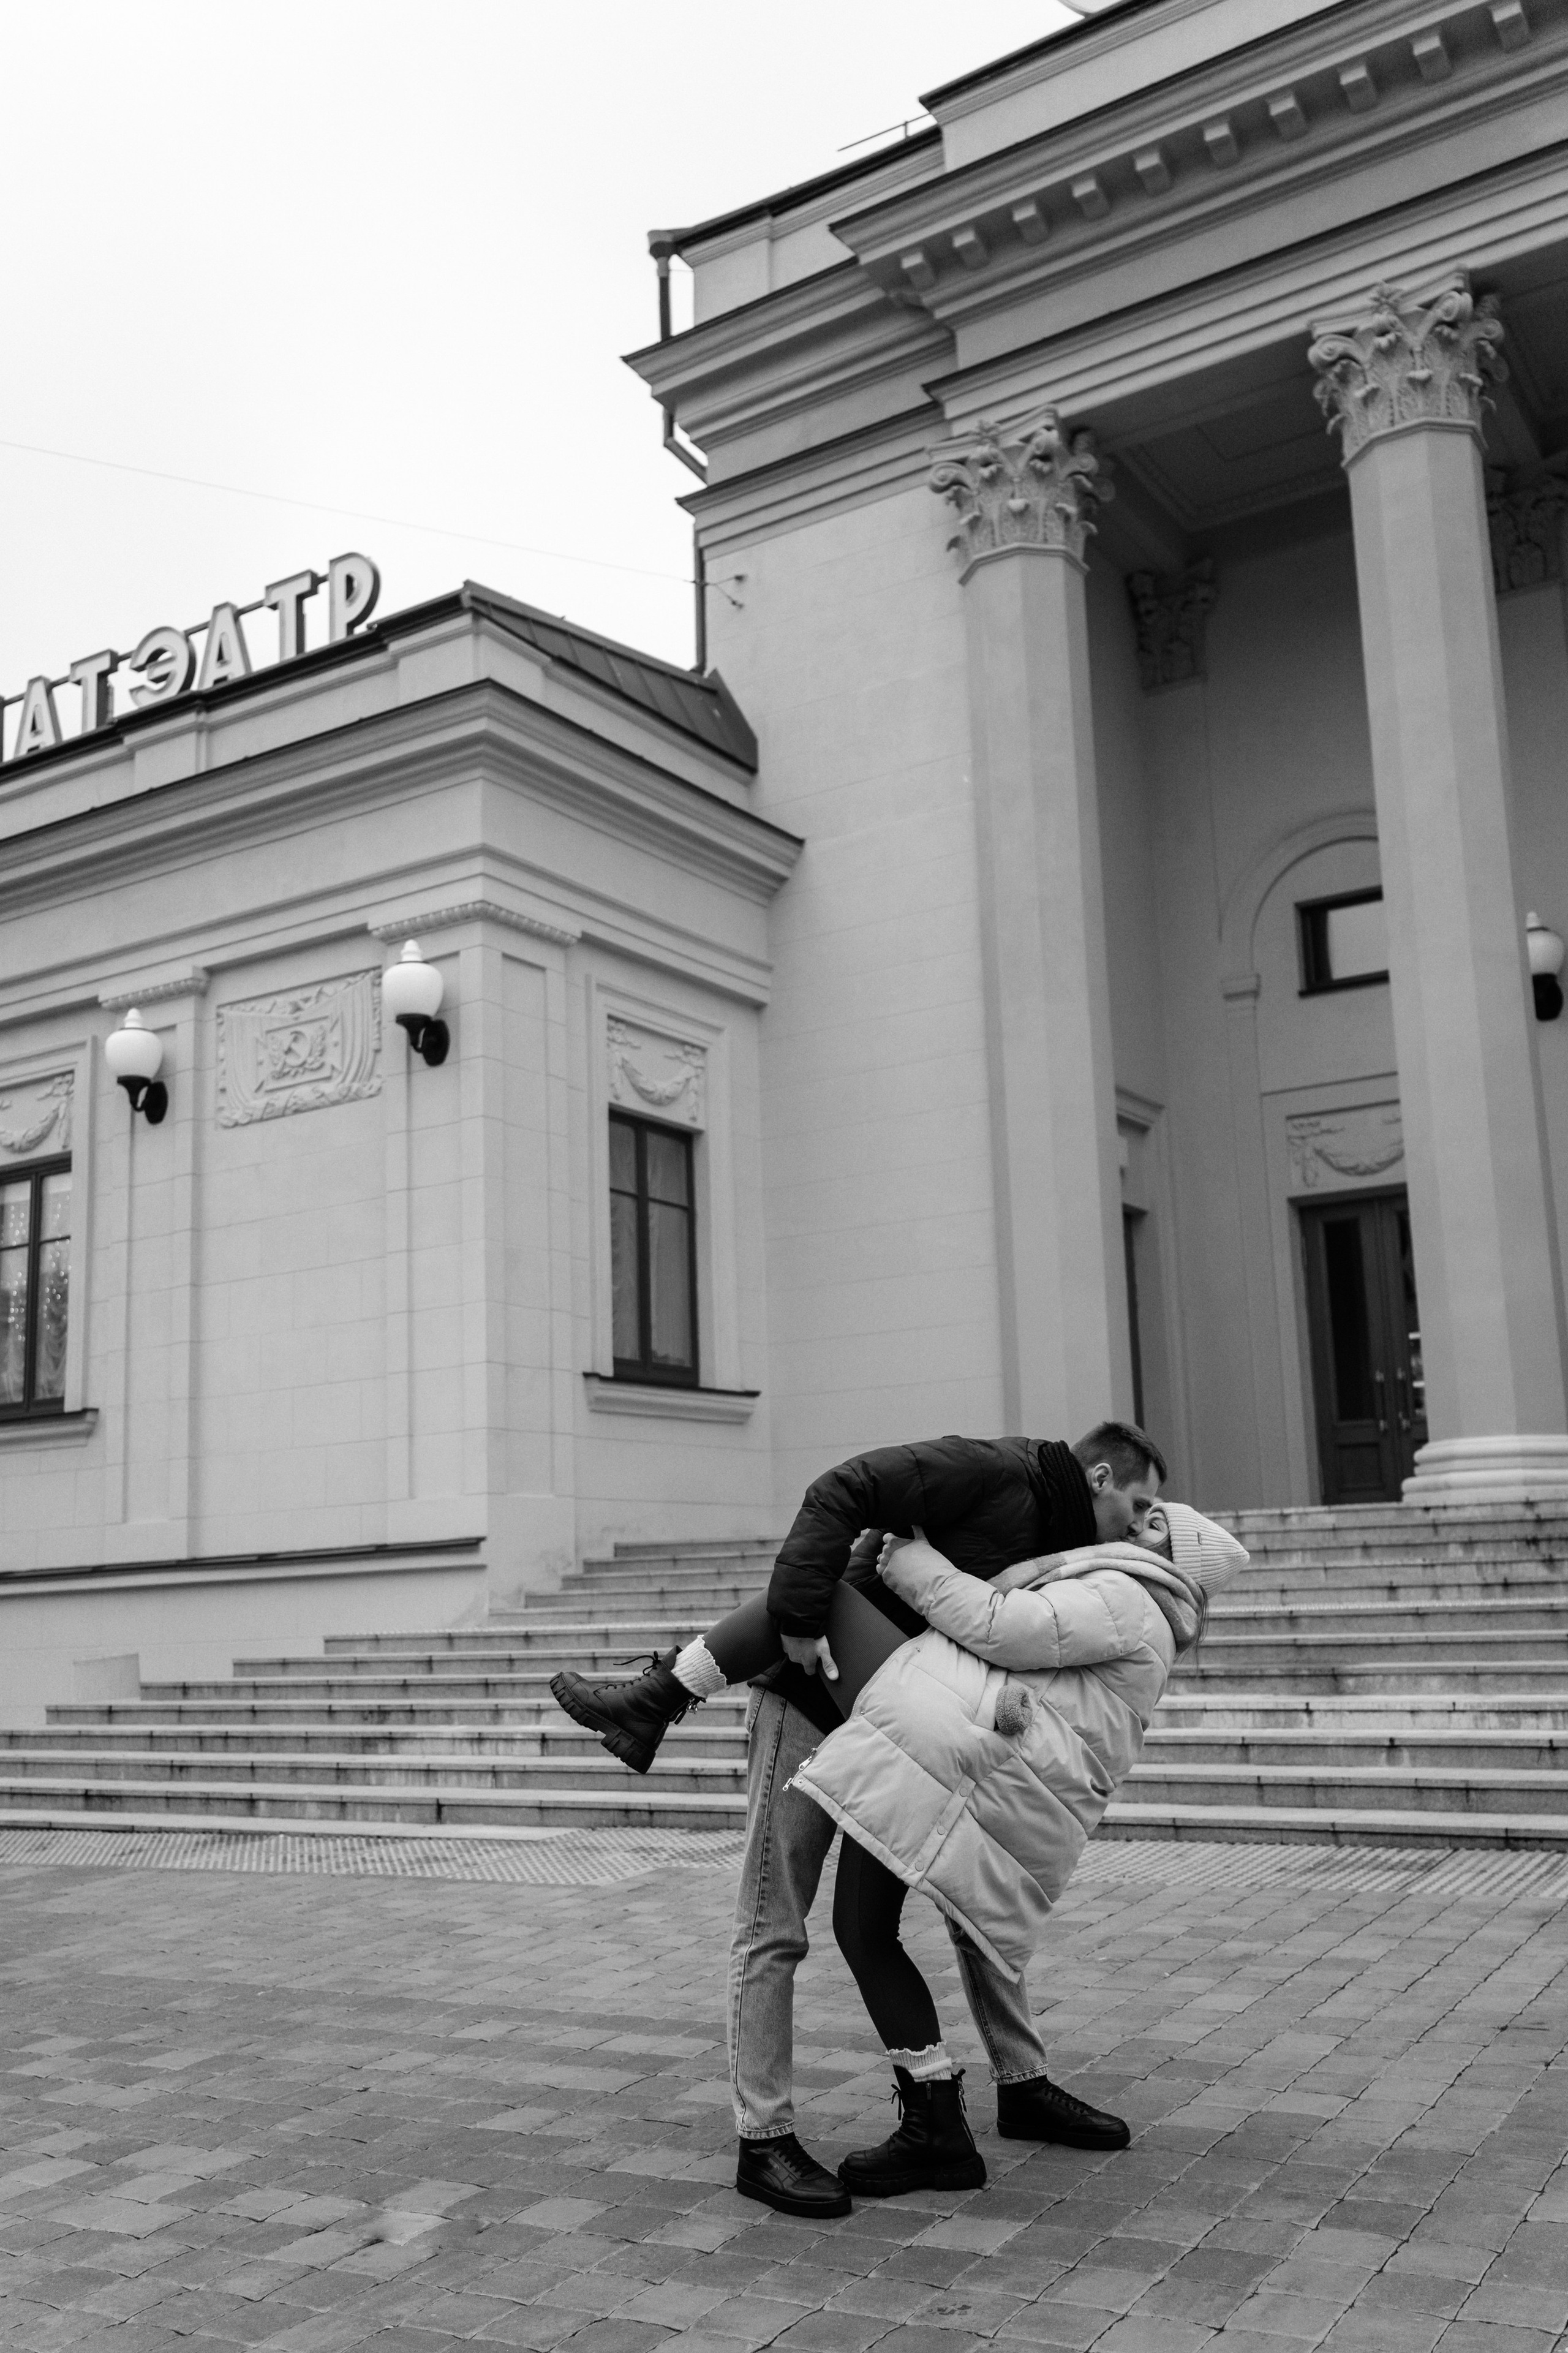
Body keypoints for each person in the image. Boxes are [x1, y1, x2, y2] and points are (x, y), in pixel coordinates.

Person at [552, 1422, 1166, 2218]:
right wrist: (803, 1621)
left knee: (938, 1900)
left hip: (904, 1728)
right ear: (1101, 1475)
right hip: (811, 1697)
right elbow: (841, 1489)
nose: (1139, 1520)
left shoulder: (1065, 1551)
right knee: (775, 1923)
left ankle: (1010, 2088)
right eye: (1139, 1502)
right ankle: (763, 2140)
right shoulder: (988, 1469)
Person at [793, 1499, 1248, 2197]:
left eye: (1158, 1519)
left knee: (861, 1926)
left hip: (945, 1755)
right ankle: (1010, 2088)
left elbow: (1004, 1626)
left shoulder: (1126, 1595)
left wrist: (908, 1560)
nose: (1135, 1518)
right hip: (978, 1767)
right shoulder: (1135, 1602)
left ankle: (937, 2123)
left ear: (1173, 1556)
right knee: (939, 1928)